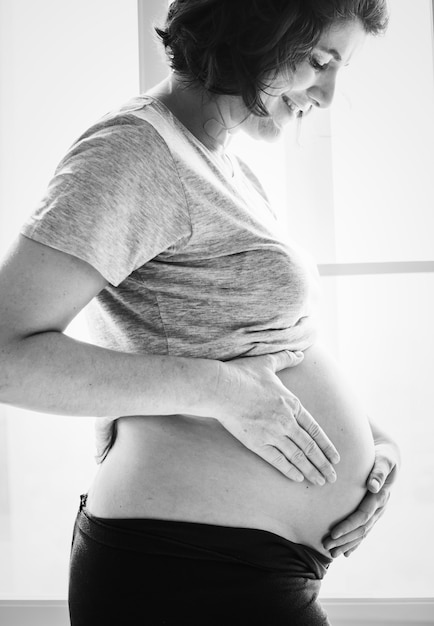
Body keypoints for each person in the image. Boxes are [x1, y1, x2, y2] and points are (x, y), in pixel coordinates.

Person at [0, 0, 400, 624]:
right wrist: (219, 390)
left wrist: (373, 445)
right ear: (256, 28)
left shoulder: (222, 164)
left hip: (244, 566)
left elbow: (248, 343)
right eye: (321, 62)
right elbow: (5, 354)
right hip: (181, 573)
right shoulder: (133, 153)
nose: (326, 93)